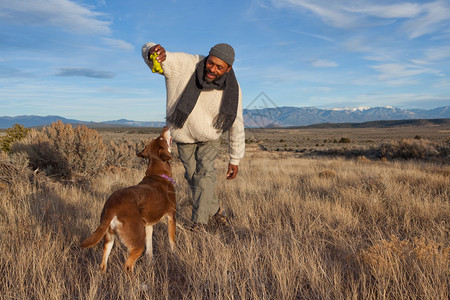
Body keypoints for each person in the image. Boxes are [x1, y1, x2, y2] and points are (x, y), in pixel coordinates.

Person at [142, 42, 245, 231]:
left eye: (219, 67)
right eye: (210, 63)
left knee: (205, 175)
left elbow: (236, 123)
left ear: (228, 69)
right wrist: (151, 51)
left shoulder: (233, 89)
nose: (212, 69)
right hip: (183, 135)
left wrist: (235, 158)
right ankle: (217, 212)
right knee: (193, 178)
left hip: (210, 137)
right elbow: (154, 57)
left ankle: (198, 223)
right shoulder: (186, 64)